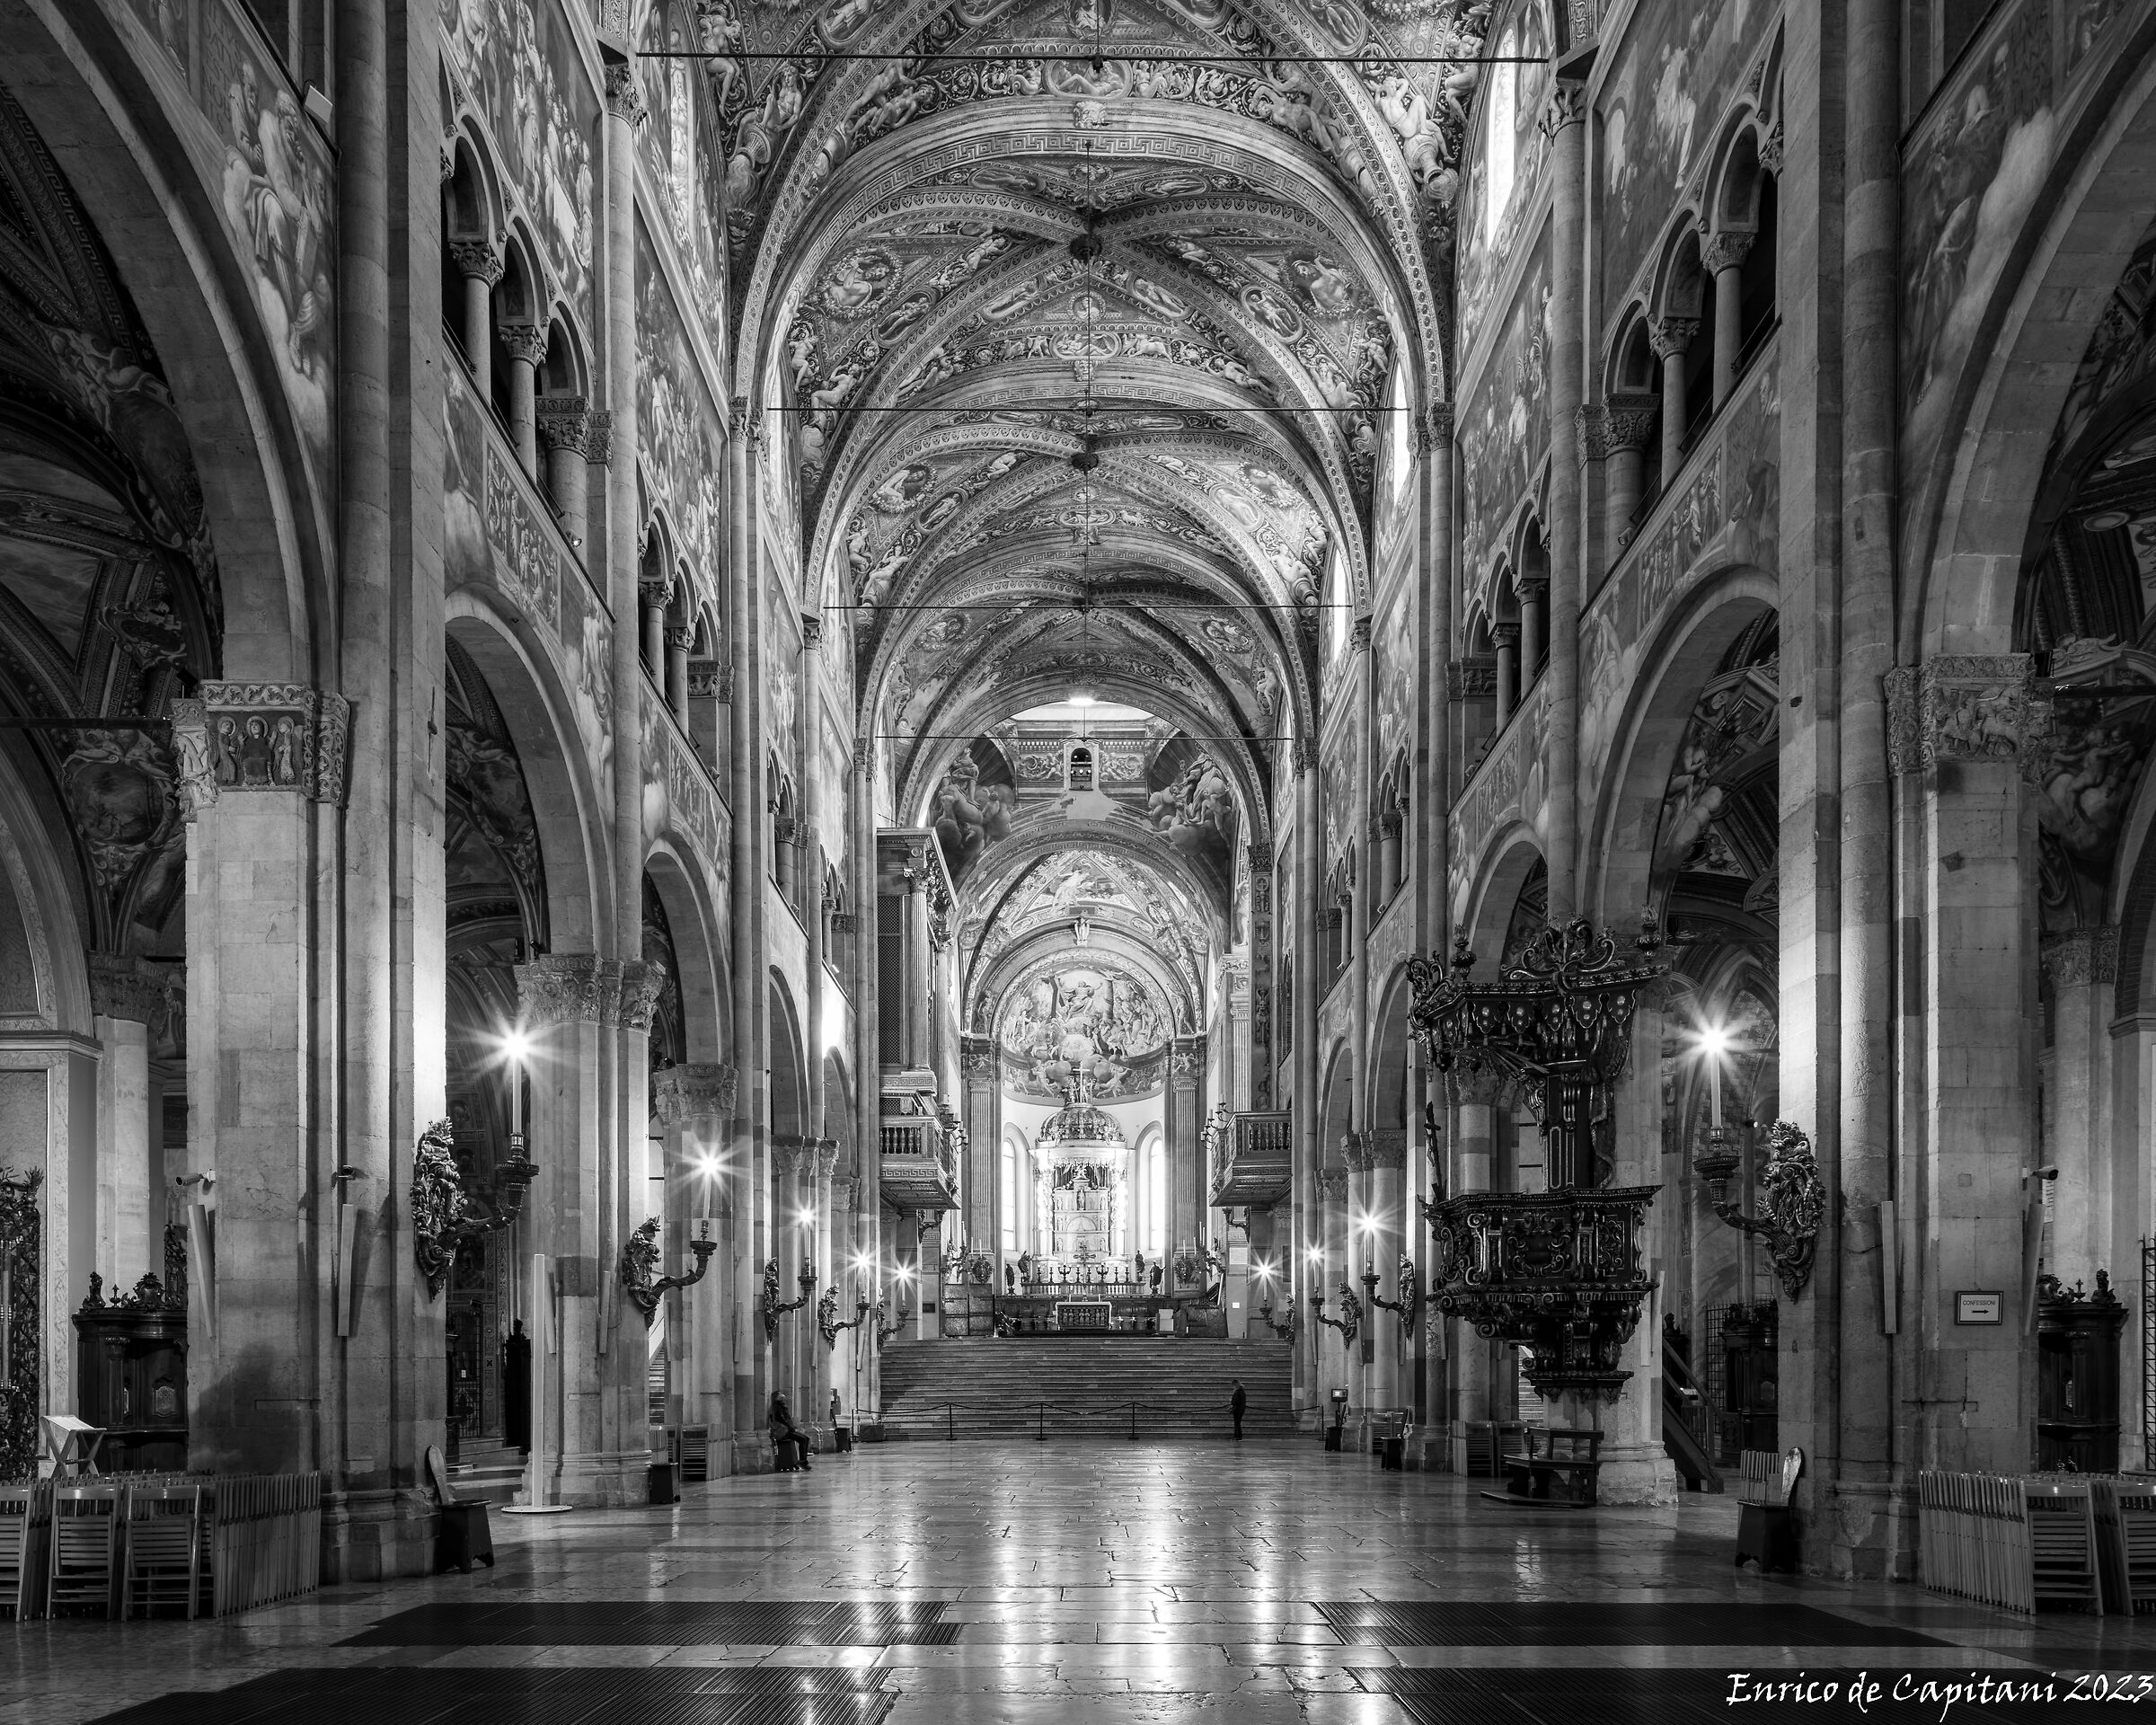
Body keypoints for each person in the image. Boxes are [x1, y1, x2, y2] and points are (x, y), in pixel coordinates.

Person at [768, 1391, 812, 1472]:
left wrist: (790, 1426)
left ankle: (803, 1461)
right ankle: (803, 1461)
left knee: (806, 1438)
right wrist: (789, 1426)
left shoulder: (780, 1406)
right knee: (803, 1439)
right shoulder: (777, 1406)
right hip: (783, 1431)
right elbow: (780, 1419)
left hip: (787, 1430)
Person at [1231, 1378, 1248, 1442]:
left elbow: (1237, 1401)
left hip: (1238, 1410)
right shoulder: (1241, 1391)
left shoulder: (1238, 1392)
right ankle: (1237, 1436)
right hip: (1240, 1409)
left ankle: (1238, 1436)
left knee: (1237, 1423)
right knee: (1237, 1423)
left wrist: (1232, 1404)